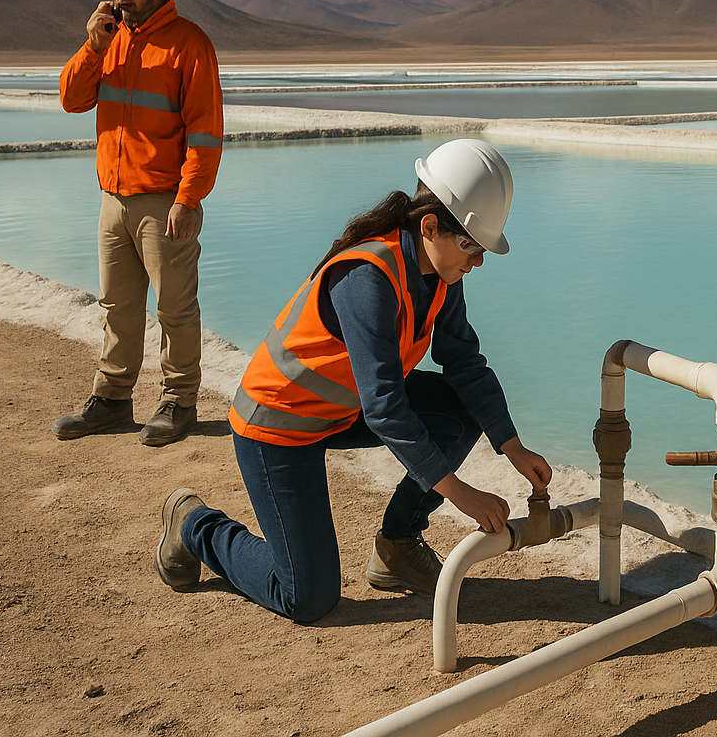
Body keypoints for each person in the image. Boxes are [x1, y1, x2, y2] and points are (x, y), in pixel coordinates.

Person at [151, 138, 553, 623]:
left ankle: (398, 546)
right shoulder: (368, 277)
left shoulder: (440, 277)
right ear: (430, 226)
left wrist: (512, 446)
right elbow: (385, 405)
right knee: (307, 598)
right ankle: (194, 525)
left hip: (341, 412)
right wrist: (458, 492)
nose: (479, 260)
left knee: (461, 409)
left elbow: (465, 364)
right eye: (472, 246)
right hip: (277, 426)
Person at [53, 0, 223, 447]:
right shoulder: (109, 40)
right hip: (113, 198)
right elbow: (72, 99)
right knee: (117, 306)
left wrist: (189, 198)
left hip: (164, 202)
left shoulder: (189, 44)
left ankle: (179, 402)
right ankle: (111, 400)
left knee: (174, 308)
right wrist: (93, 45)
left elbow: (205, 132)